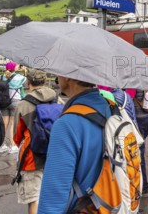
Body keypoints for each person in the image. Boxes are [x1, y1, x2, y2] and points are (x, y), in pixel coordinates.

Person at [38, 76, 111, 213]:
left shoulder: (67, 123)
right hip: (112, 205)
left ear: (67, 77)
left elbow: (53, 199)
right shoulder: (111, 108)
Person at [13, 69, 57, 214]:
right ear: (45, 81)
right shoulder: (57, 99)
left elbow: (16, 137)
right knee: (51, 197)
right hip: (54, 155)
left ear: (28, 82)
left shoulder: (23, 104)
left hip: (31, 158)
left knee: (34, 199)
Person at [0, 61, 26, 154]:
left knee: (4, 124)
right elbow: (27, 82)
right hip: (15, 101)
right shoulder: (20, 77)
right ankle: (12, 145)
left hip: (4, 101)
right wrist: (24, 70)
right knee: (12, 124)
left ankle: (1, 145)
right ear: (15, 68)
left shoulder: (2, 76)